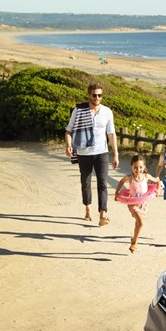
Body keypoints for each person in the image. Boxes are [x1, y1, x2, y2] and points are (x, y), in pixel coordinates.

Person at [64, 83, 118, 226]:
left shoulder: (107, 112)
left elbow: (111, 134)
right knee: (86, 182)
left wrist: (116, 154)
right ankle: (87, 208)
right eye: (94, 95)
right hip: (84, 152)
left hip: (102, 152)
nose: (97, 98)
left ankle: (102, 214)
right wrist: (68, 145)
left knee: (103, 184)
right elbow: (69, 130)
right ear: (89, 95)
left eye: (100, 95)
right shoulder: (79, 110)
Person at [114, 155, 160, 253]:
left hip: (143, 204)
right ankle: (134, 243)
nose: (138, 170)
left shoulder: (146, 176)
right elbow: (121, 182)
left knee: (138, 223)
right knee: (141, 222)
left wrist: (158, 190)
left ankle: (133, 239)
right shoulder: (130, 177)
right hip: (133, 204)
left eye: (140, 167)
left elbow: (157, 181)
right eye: (135, 167)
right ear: (131, 166)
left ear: (144, 168)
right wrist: (117, 193)